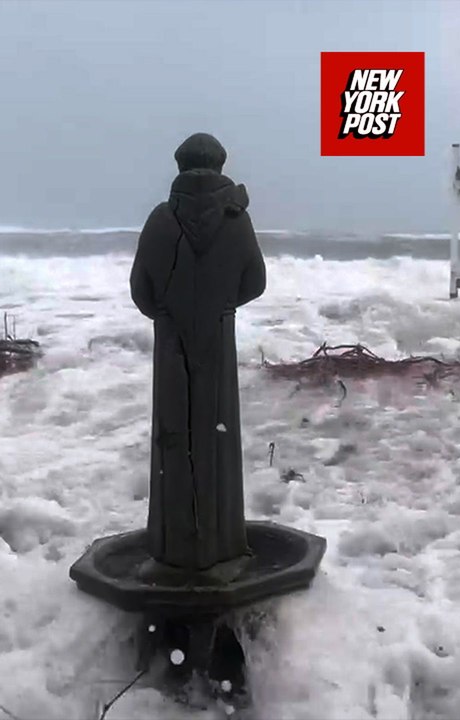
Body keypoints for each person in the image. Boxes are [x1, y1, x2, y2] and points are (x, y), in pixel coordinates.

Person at [129, 132, 266, 580]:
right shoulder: (236, 219)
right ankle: (222, 542)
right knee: (216, 437)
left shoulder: (161, 218)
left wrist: (170, 314)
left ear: (180, 166)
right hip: (219, 340)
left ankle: (175, 546)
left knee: (176, 436)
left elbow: (141, 290)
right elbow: (256, 282)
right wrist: (221, 306)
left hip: (171, 343)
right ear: (221, 166)